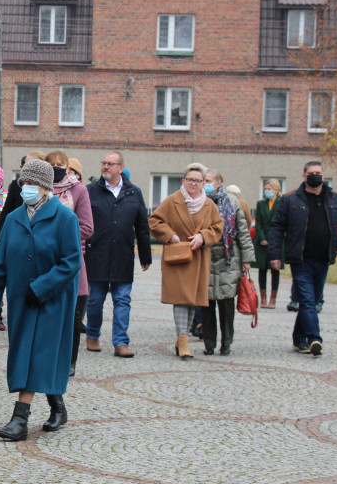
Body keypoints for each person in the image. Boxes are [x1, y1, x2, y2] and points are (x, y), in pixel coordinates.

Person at [0, 159, 82, 440]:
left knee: (39, 353)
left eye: (33, 183)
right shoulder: (13, 218)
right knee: (27, 352)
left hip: (53, 301)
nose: (27, 188)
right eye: (24, 182)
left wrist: (41, 287)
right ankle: (57, 406)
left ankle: (20, 419)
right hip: (21, 301)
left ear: (47, 187)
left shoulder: (65, 218)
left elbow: (72, 261)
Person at [268, 161, 337, 357]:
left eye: (318, 173)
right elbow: (276, 227)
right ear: (304, 176)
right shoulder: (292, 200)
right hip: (300, 259)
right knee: (308, 301)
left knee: (313, 299)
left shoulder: (334, 199)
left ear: (323, 176)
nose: (315, 176)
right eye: (311, 173)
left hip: (323, 258)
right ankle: (314, 338)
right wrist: (274, 255)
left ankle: (299, 338)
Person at [148, 163, 224, 360]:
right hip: (178, 258)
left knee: (192, 301)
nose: (194, 183)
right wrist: (170, 235)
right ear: (183, 181)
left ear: (203, 183)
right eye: (190, 180)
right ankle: (183, 340)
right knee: (181, 299)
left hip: (198, 258)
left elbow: (218, 227)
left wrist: (203, 237)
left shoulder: (209, 205)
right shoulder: (173, 200)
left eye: (198, 181)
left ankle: (181, 339)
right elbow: (155, 221)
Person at [84, 151, 152, 359]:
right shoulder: (90, 191)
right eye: (103, 163)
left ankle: (121, 342)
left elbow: (142, 227)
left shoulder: (134, 193)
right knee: (95, 300)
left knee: (122, 299)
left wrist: (145, 256)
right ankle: (93, 335)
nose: (105, 167)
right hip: (96, 255)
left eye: (110, 164)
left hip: (122, 255)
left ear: (120, 168)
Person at [46, 150, 93, 377]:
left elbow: (86, 228)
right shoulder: (37, 189)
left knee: (73, 318)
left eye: (60, 164)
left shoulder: (79, 190)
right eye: (52, 164)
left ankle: (69, 362)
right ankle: (47, 358)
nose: (56, 167)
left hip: (70, 263)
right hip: (42, 263)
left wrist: (55, 235)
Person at [200, 169, 256, 356]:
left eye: (208, 180)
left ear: (218, 182)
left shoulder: (232, 202)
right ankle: (208, 342)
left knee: (226, 303)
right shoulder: (198, 201)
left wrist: (247, 259)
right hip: (205, 256)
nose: (205, 183)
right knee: (206, 303)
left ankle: (226, 342)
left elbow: (242, 231)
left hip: (228, 257)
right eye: (203, 180)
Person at [0, 150, 46, 260]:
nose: (26, 168)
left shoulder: (49, 190)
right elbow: (5, 214)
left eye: (31, 164)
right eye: (25, 164)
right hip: (16, 240)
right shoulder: (16, 185)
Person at [254, 179, 282, 309]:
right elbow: (258, 223)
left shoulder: (281, 203)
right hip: (262, 242)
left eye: (269, 189)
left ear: (276, 190)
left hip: (276, 242)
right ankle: (263, 298)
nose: (267, 191)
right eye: (265, 189)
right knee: (262, 269)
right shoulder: (260, 204)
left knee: (275, 270)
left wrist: (274, 239)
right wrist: (262, 238)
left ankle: (273, 299)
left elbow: (282, 223)